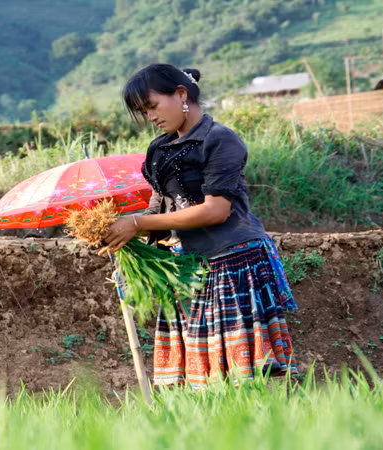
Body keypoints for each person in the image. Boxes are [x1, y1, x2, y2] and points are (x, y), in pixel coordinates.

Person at [102, 63, 297, 388]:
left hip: (233, 264)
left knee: (248, 377)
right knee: (202, 380)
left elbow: (215, 210)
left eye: (152, 106)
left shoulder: (220, 140)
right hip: (189, 271)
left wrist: (137, 223)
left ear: (181, 94)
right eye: (143, 112)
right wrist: (120, 235)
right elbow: (158, 205)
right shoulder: (158, 149)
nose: (150, 117)